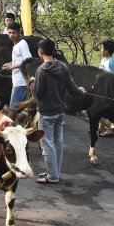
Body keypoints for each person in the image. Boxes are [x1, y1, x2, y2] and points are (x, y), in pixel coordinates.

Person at [30, 39, 86, 184]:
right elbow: (73, 90)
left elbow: (37, 92)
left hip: (46, 113)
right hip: (60, 112)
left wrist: (31, 81)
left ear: (40, 52)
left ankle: (53, 176)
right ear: (53, 50)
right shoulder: (63, 67)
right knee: (57, 143)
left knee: (46, 144)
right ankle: (54, 172)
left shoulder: (41, 70)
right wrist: (80, 90)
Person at [1, 22, 32, 121]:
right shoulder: (16, 44)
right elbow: (19, 60)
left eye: (13, 33)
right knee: (25, 111)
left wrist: (12, 67)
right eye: (9, 33)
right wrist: (10, 64)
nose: (11, 35)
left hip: (20, 82)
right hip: (19, 81)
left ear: (20, 32)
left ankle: (7, 128)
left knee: (13, 108)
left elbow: (27, 61)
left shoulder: (22, 45)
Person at [98, 39, 114, 137]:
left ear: (106, 51)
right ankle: (101, 128)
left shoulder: (111, 62)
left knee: (106, 110)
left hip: (109, 91)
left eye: (102, 48)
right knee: (100, 108)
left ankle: (112, 130)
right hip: (102, 89)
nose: (101, 50)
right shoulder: (104, 60)